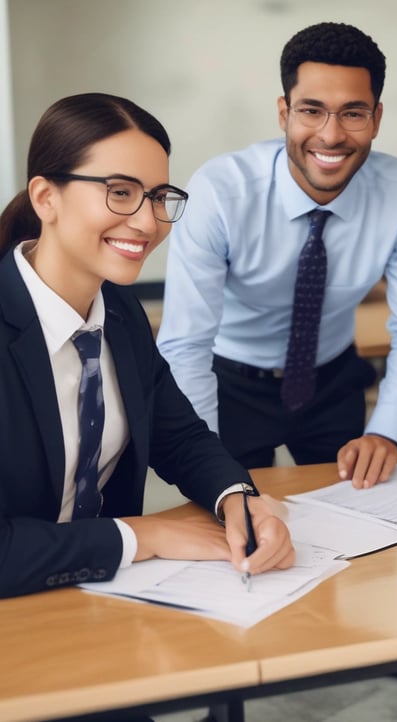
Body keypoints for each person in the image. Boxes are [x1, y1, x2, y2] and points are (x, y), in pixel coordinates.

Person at [0, 92, 295, 603]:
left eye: (159, 196)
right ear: (46, 197)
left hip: (103, 592)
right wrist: (145, 536)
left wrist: (238, 501)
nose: (147, 221)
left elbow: (177, 436)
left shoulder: (119, 309)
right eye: (120, 191)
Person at [157, 22, 397, 489]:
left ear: (376, 117)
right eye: (312, 111)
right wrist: (204, 459)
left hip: (332, 381)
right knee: (236, 527)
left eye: (353, 113)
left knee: (360, 522)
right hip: (230, 382)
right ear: (283, 113)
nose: (331, 136)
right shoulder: (220, 191)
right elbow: (185, 343)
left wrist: (388, 431)